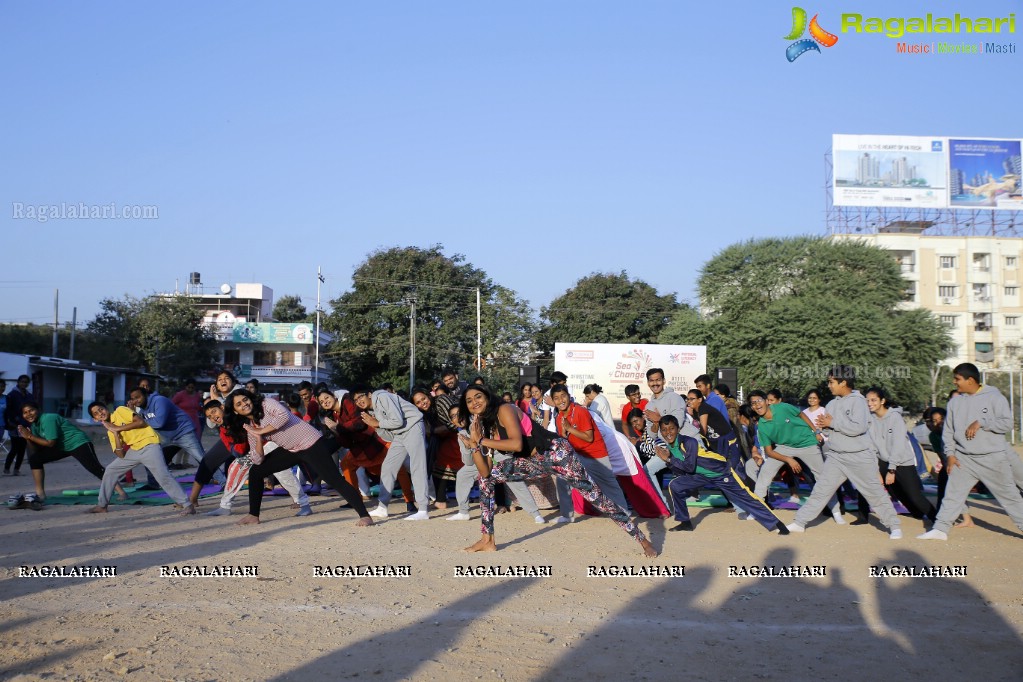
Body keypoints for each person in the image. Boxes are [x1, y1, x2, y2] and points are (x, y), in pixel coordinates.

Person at [459, 385, 656, 557]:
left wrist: (480, 441)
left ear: (487, 396)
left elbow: (517, 444)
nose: (474, 402)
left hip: (557, 454)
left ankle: (641, 539)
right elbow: (485, 471)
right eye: (469, 400)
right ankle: (488, 540)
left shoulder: (504, 409)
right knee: (485, 480)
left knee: (598, 498)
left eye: (478, 396)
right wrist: (474, 446)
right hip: (534, 462)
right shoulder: (482, 426)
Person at [224, 390, 371, 526]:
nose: (244, 404)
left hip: (311, 443)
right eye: (239, 404)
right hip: (292, 450)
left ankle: (364, 515)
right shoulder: (251, 426)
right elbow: (257, 459)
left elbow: (284, 416)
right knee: (256, 470)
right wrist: (257, 438)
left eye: (245, 399)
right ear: (235, 412)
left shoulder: (265, 403)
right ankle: (253, 515)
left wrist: (261, 431)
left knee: (334, 480)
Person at [787, 366, 902, 539]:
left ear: (843, 382)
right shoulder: (832, 404)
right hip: (835, 456)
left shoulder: (858, 401)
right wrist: (823, 428)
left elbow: (858, 427)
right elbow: (829, 430)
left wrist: (832, 423)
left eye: (831, 382)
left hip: (859, 455)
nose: (829, 385)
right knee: (821, 490)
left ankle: (894, 526)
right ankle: (800, 522)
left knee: (875, 492)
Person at [919, 363, 1023, 540]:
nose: (954, 382)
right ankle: (940, 529)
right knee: (952, 495)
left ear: (971, 380)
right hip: (964, 459)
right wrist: (950, 455)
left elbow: (1006, 423)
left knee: (1010, 498)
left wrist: (982, 422)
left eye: (957, 379)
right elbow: (949, 431)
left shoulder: (995, 397)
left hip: (992, 458)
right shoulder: (954, 402)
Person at [655, 415, 787, 534]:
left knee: (746, 497)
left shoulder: (689, 442)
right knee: (675, 485)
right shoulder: (670, 448)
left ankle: (777, 523)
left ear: (678, 429)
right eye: (664, 430)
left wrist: (669, 459)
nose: (668, 433)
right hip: (701, 475)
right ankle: (685, 522)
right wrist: (668, 461)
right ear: (661, 431)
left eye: (671, 429)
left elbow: (689, 467)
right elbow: (681, 471)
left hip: (720, 471)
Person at [199, 400, 311, 517]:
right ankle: (225, 506)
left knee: (282, 473)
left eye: (214, 412)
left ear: (222, 407)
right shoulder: (223, 430)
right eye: (210, 416)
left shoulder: (237, 414)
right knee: (235, 468)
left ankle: (303, 503)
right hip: (253, 452)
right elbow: (238, 450)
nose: (213, 417)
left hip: (269, 444)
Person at [746, 390, 843, 523]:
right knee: (765, 473)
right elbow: (769, 452)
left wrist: (816, 432)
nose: (757, 405)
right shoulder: (762, 426)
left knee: (822, 478)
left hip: (807, 443)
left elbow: (802, 414)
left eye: (759, 401)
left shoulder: (782, 407)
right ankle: (757, 511)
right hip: (785, 447)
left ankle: (836, 511)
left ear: (766, 401)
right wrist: (788, 459)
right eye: (753, 403)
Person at [317, 389, 415, 509]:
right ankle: (354, 499)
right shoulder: (334, 416)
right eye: (322, 402)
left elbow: (359, 422)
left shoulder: (347, 400)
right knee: (346, 465)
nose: (325, 402)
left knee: (398, 468)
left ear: (334, 396)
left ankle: (409, 501)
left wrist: (338, 427)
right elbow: (346, 442)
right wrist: (335, 430)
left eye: (326, 398)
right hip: (359, 447)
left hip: (374, 440)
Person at [87, 401, 188, 513]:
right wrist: (115, 432)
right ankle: (102, 505)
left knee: (162, 475)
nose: (100, 413)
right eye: (96, 414)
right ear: (95, 419)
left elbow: (140, 422)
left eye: (101, 409)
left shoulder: (120, 411)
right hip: (134, 450)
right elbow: (120, 454)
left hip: (149, 444)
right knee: (111, 470)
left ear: (106, 408)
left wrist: (118, 428)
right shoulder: (111, 431)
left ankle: (187, 504)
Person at [551, 384, 630, 522]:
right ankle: (566, 515)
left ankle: (624, 514)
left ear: (569, 396)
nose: (561, 400)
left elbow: (589, 437)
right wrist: (564, 434)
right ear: (553, 401)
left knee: (609, 484)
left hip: (596, 454)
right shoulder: (559, 417)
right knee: (562, 477)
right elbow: (566, 439)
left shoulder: (581, 411)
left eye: (563, 396)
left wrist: (569, 429)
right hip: (577, 455)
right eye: (556, 398)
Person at [18, 401, 123, 503]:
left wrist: (30, 436)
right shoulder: (35, 426)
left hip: (78, 442)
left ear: (38, 410)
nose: (29, 414)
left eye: (31, 410)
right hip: (63, 447)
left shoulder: (48, 418)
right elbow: (36, 449)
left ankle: (121, 493)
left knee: (94, 468)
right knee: (35, 459)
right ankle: (40, 494)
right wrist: (27, 438)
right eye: (25, 412)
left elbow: (50, 443)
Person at [859, 387, 936, 525]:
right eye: (867, 400)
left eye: (873, 400)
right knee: (883, 489)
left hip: (901, 461)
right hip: (882, 460)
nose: (869, 403)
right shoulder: (870, 420)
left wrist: (892, 470)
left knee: (913, 495)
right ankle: (864, 517)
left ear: (882, 401)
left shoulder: (895, 417)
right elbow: (871, 446)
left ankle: (937, 519)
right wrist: (876, 471)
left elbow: (898, 445)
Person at [357, 386, 431, 520]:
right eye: (355, 400)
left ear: (369, 394)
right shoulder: (374, 409)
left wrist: (378, 423)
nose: (359, 401)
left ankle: (423, 509)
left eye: (360, 397)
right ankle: (382, 507)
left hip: (413, 426)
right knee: (388, 467)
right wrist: (376, 425)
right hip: (400, 434)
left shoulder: (382, 396)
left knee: (417, 467)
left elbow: (397, 420)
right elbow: (388, 436)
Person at [924, 406, 974, 527]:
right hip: (951, 464)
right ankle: (947, 516)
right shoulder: (934, 436)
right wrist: (948, 468)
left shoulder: (956, 430)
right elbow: (942, 456)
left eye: (940, 419)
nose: (934, 423)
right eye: (931, 421)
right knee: (947, 483)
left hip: (968, 462)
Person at [4, 374, 32, 476]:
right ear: (18, 382)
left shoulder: (29, 395)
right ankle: (7, 468)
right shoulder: (12, 394)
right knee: (15, 447)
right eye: (22, 382)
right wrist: (13, 421)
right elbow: (9, 410)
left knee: (22, 448)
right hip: (15, 425)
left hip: (26, 424)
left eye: (26, 382)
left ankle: (16, 469)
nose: (23, 384)